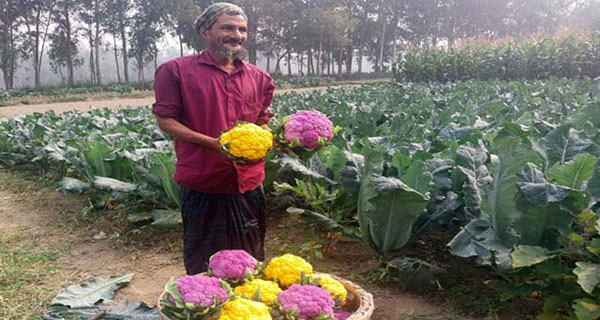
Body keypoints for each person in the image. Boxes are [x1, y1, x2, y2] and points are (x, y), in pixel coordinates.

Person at [152, 2, 275, 275]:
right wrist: (214, 144)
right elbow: (166, 120)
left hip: (249, 183)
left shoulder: (260, 78)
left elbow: (262, 120)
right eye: (227, 27)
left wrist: (275, 137)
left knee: (250, 261)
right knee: (205, 264)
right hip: (203, 181)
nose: (237, 35)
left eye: (242, 29)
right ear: (205, 31)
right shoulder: (175, 72)